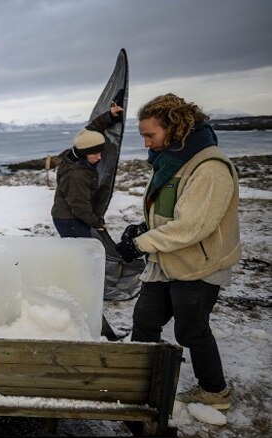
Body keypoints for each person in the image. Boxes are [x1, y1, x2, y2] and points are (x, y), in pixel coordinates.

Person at [116, 93, 241, 409]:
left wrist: (141, 244)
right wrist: (142, 229)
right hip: (166, 261)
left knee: (191, 331)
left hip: (197, 265)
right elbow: (169, 213)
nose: (145, 143)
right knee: (144, 321)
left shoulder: (209, 167)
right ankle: (142, 383)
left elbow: (192, 227)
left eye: (150, 135)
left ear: (173, 128)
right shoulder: (173, 162)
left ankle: (215, 392)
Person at [51, 103, 124, 238]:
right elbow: (79, 206)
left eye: (100, 152)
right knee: (80, 253)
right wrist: (97, 223)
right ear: (84, 153)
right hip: (70, 220)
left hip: (71, 216)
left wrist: (110, 115)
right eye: (94, 154)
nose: (99, 157)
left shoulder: (78, 150)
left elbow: (91, 130)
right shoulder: (77, 175)